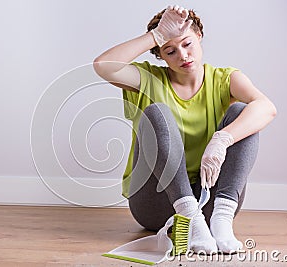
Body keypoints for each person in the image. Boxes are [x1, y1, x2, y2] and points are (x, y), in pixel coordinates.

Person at [93, 5, 276, 254]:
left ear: (199, 36)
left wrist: (222, 139)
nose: (182, 55)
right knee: (156, 112)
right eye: (170, 50)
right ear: (161, 55)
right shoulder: (149, 79)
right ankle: (189, 216)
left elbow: (266, 107)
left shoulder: (225, 79)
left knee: (244, 112)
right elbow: (103, 65)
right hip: (156, 202)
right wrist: (156, 36)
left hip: (212, 203)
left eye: (187, 44)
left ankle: (221, 221)